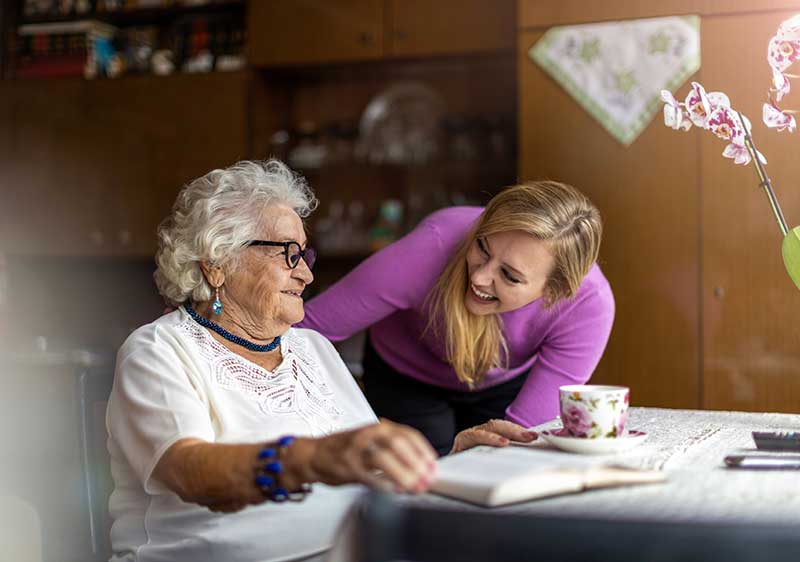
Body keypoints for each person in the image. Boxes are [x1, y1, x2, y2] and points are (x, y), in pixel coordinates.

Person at [106, 160, 534, 562]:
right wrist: (311, 458)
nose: (306, 275)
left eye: (304, 256)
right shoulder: (159, 351)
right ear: (218, 264)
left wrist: (451, 462)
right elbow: (190, 472)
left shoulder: (312, 348)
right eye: (287, 255)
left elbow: (367, 472)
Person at [299, 181, 615, 455]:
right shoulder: (433, 245)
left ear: (555, 291)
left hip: (504, 382)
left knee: (502, 468)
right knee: (417, 484)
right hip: (406, 375)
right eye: (482, 247)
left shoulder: (589, 305)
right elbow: (305, 328)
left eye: (509, 275)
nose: (480, 277)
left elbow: (523, 438)